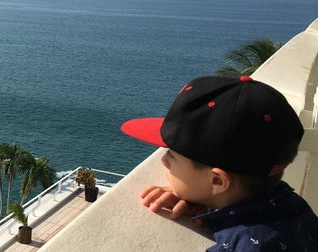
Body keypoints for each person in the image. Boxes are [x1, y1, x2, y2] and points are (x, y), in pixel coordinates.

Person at [120, 75, 318, 251]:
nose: (163, 160)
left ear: (217, 181)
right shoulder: (291, 204)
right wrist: (208, 206)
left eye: (171, 155)